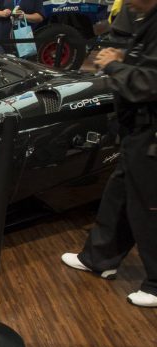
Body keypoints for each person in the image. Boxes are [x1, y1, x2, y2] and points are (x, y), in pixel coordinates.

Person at [61, 0, 157, 308]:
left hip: (152, 130)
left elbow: (149, 82)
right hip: (138, 128)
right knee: (119, 194)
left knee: (149, 206)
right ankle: (98, 258)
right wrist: (123, 57)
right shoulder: (146, 18)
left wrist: (114, 64)